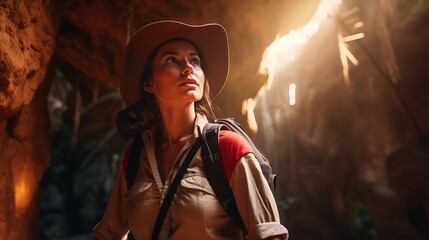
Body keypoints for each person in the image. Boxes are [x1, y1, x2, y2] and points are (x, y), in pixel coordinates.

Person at [93, 20, 288, 240]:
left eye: (194, 61)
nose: (188, 68)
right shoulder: (136, 157)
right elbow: (108, 234)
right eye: (172, 60)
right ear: (149, 82)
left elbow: (269, 236)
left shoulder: (227, 148)